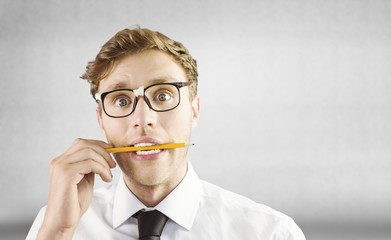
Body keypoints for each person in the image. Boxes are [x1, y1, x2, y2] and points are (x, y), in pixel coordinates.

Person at [26, 26, 306, 239]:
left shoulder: (269, 233)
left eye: (162, 96)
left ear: (194, 110)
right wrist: (57, 233)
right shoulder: (55, 224)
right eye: (121, 101)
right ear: (101, 119)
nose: (143, 119)